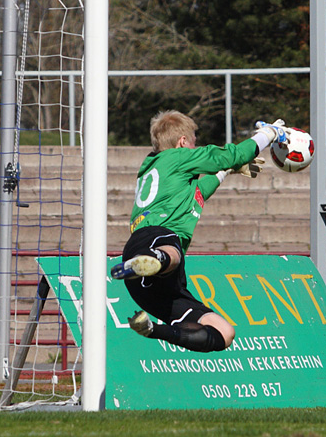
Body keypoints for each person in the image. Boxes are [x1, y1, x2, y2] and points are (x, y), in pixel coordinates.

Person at [111, 110, 287, 353]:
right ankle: (156, 259)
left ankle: (151, 329)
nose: (196, 146)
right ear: (183, 142)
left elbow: (202, 189)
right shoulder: (178, 157)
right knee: (173, 247)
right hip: (152, 241)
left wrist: (229, 170)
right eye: (194, 141)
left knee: (224, 333)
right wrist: (268, 134)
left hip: (154, 287)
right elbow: (231, 154)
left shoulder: (164, 171)